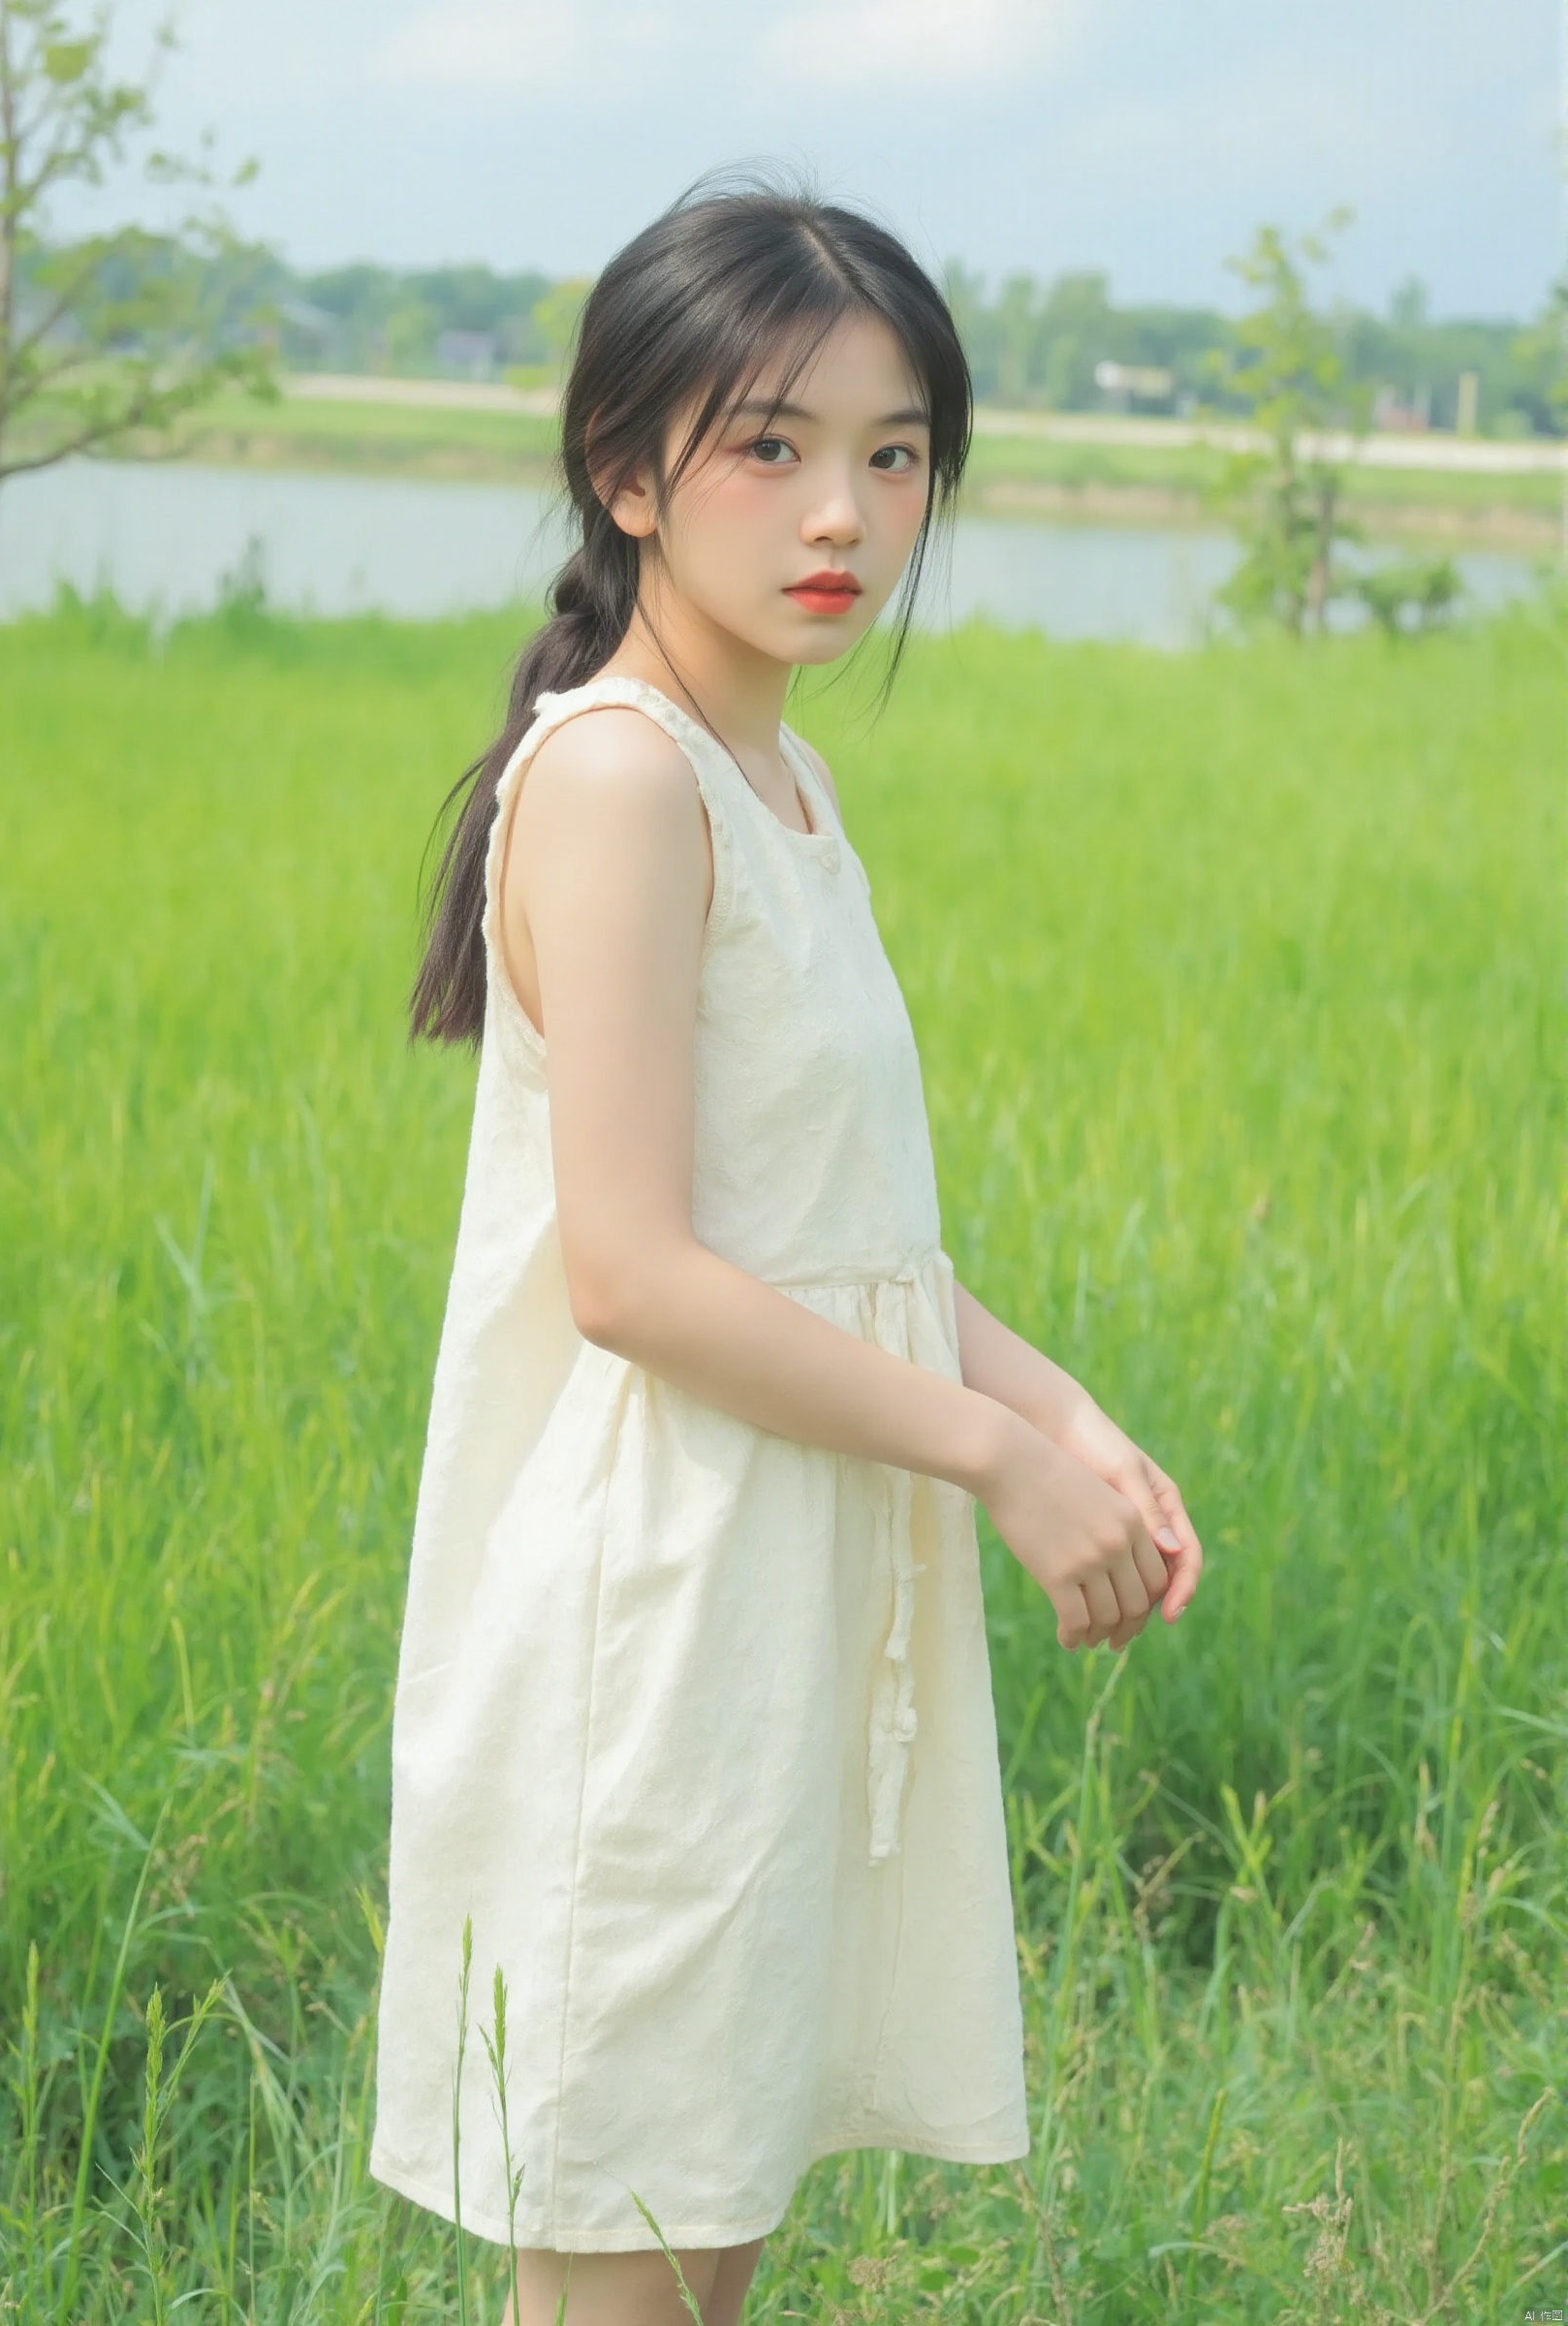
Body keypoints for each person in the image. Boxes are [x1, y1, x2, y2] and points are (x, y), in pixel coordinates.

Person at [367, 174, 1204, 2326]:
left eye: (896, 449)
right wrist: (987, 1460)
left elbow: (845, 1247)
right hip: (656, 1613)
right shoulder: (629, 783)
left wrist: (1065, 1414)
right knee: (634, 2256)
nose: (844, 507)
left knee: (709, 2236)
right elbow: (632, 1273)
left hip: (781, 1588)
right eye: (772, 444)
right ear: (629, 470)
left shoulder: (785, 784)